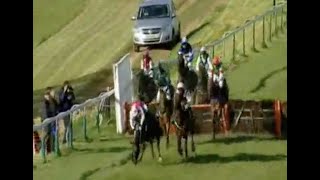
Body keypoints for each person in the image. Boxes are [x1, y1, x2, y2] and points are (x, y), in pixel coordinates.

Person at [41, 87, 59, 153]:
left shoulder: (52, 101)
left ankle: (52, 149)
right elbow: (45, 113)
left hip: (52, 121)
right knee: (47, 135)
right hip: (47, 122)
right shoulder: (45, 103)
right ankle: (44, 150)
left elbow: (56, 108)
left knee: (53, 135)